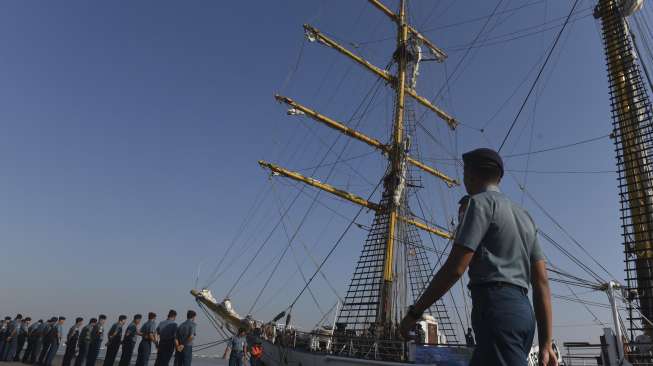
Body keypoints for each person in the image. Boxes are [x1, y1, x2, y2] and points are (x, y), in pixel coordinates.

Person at [398, 148, 556, 366]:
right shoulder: (525, 216)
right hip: (523, 312)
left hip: (495, 309)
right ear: (499, 177)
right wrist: (546, 342)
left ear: (469, 174)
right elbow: (541, 282)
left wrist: (415, 313)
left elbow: (456, 268)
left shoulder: (478, 203)